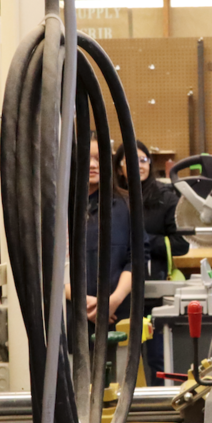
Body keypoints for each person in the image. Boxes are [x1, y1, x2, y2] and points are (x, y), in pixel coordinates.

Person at [115, 140, 188, 384]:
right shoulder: (113, 200)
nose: (139, 165)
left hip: (155, 291)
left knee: (158, 357)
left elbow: (181, 244)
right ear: (118, 167)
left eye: (143, 159)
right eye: (131, 160)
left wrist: (144, 241)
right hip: (121, 293)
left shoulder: (166, 197)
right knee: (123, 357)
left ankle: (160, 403)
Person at [66, 136, 134, 330]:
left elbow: (137, 257)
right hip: (72, 315)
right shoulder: (59, 208)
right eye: (86, 158)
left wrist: (113, 300)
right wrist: (80, 300)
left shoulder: (126, 205)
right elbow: (47, 264)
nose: (93, 165)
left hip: (118, 315)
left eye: (99, 158)